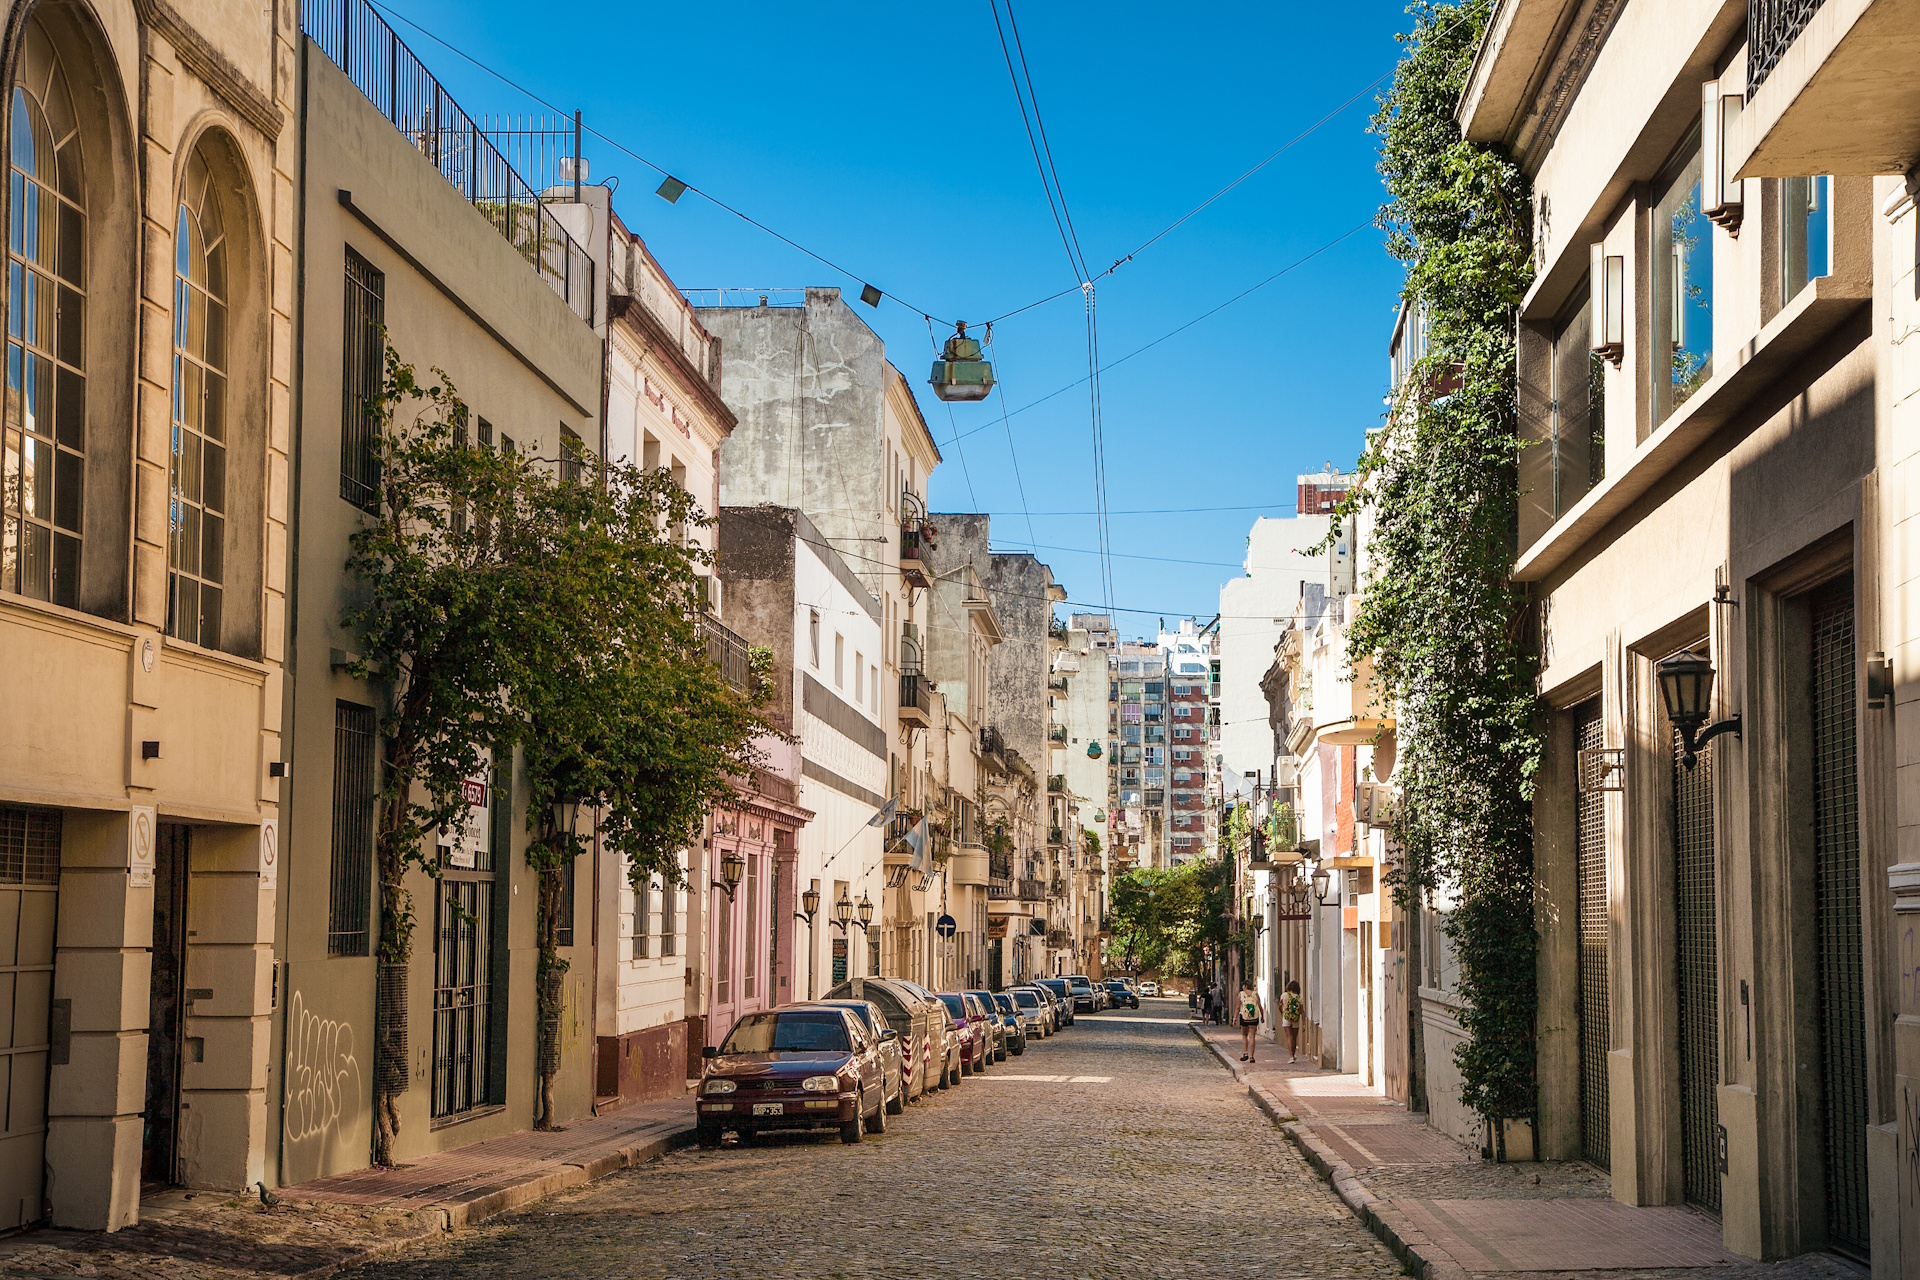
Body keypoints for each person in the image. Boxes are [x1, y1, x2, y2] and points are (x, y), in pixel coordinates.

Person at [1237, 980, 1263, 1063]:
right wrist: (1262, 1016)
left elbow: (1238, 1007)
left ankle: (1245, 1053)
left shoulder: (1241, 994)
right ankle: (1251, 1056)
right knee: (1252, 1036)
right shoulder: (1255, 994)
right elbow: (1260, 1006)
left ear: (1245, 986)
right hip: (1254, 1017)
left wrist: (1234, 1018)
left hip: (1244, 1017)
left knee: (1244, 1035)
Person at [1282, 979, 1303, 1063]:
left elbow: (1280, 1005)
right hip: (1296, 1018)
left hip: (1286, 1018)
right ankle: (1293, 1055)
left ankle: (1290, 1057)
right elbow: (1302, 1011)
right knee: (1294, 1037)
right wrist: (1304, 1023)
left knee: (1289, 1037)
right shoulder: (1299, 998)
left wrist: (1282, 1013)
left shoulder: (1284, 995)